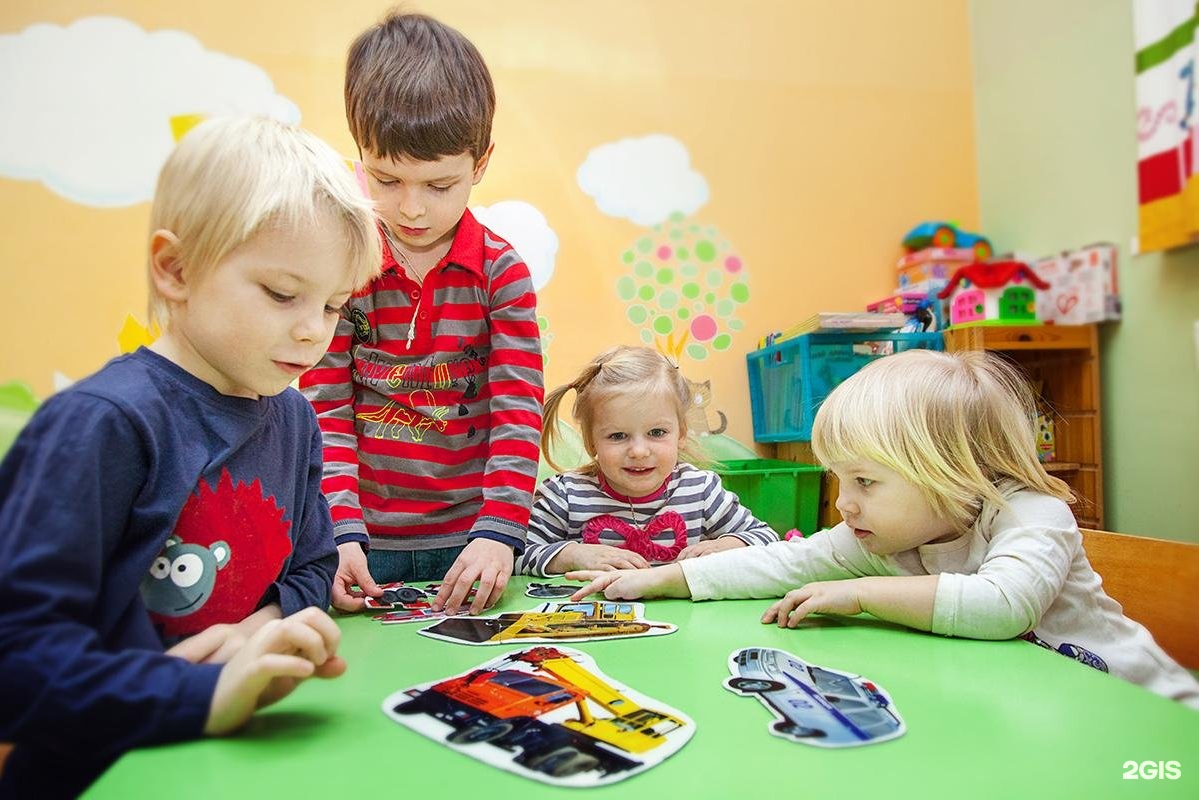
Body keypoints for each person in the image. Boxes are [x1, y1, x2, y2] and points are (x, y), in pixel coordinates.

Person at [0, 115, 382, 796]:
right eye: (283, 294)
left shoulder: (293, 416)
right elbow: (15, 658)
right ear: (175, 269)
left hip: (231, 768)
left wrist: (258, 629)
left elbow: (315, 563)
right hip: (101, 776)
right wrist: (199, 692)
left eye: (334, 306)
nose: (311, 330)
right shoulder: (104, 424)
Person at [569, 349, 1199, 709]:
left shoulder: (1031, 515)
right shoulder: (881, 533)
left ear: (951, 473)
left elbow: (1004, 605)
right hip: (1046, 709)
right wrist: (662, 579)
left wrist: (863, 594)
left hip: (1151, 718)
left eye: (865, 482)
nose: (843, 504)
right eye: (841, 480)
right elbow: (776, 565)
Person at [302, 11, 543, 616]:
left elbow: (516, 412)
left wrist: (499, 532)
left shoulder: (501, 274)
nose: (410, 209)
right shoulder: (342, 270)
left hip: (473, 545)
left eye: (439, 186)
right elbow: (325, 406)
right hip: (362, 541)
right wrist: (339, 529)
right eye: (385, 179)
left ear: (480, 165)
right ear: (359, 154)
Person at [515, 346, 777, 577]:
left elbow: (768, 538)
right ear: (591, 442)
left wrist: (726, 545)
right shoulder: (565, 496)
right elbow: (514, 555)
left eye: (657, 433)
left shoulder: (701, 490)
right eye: (618, 436)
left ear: (681, 433)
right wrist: (572, 556)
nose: (639, 451)